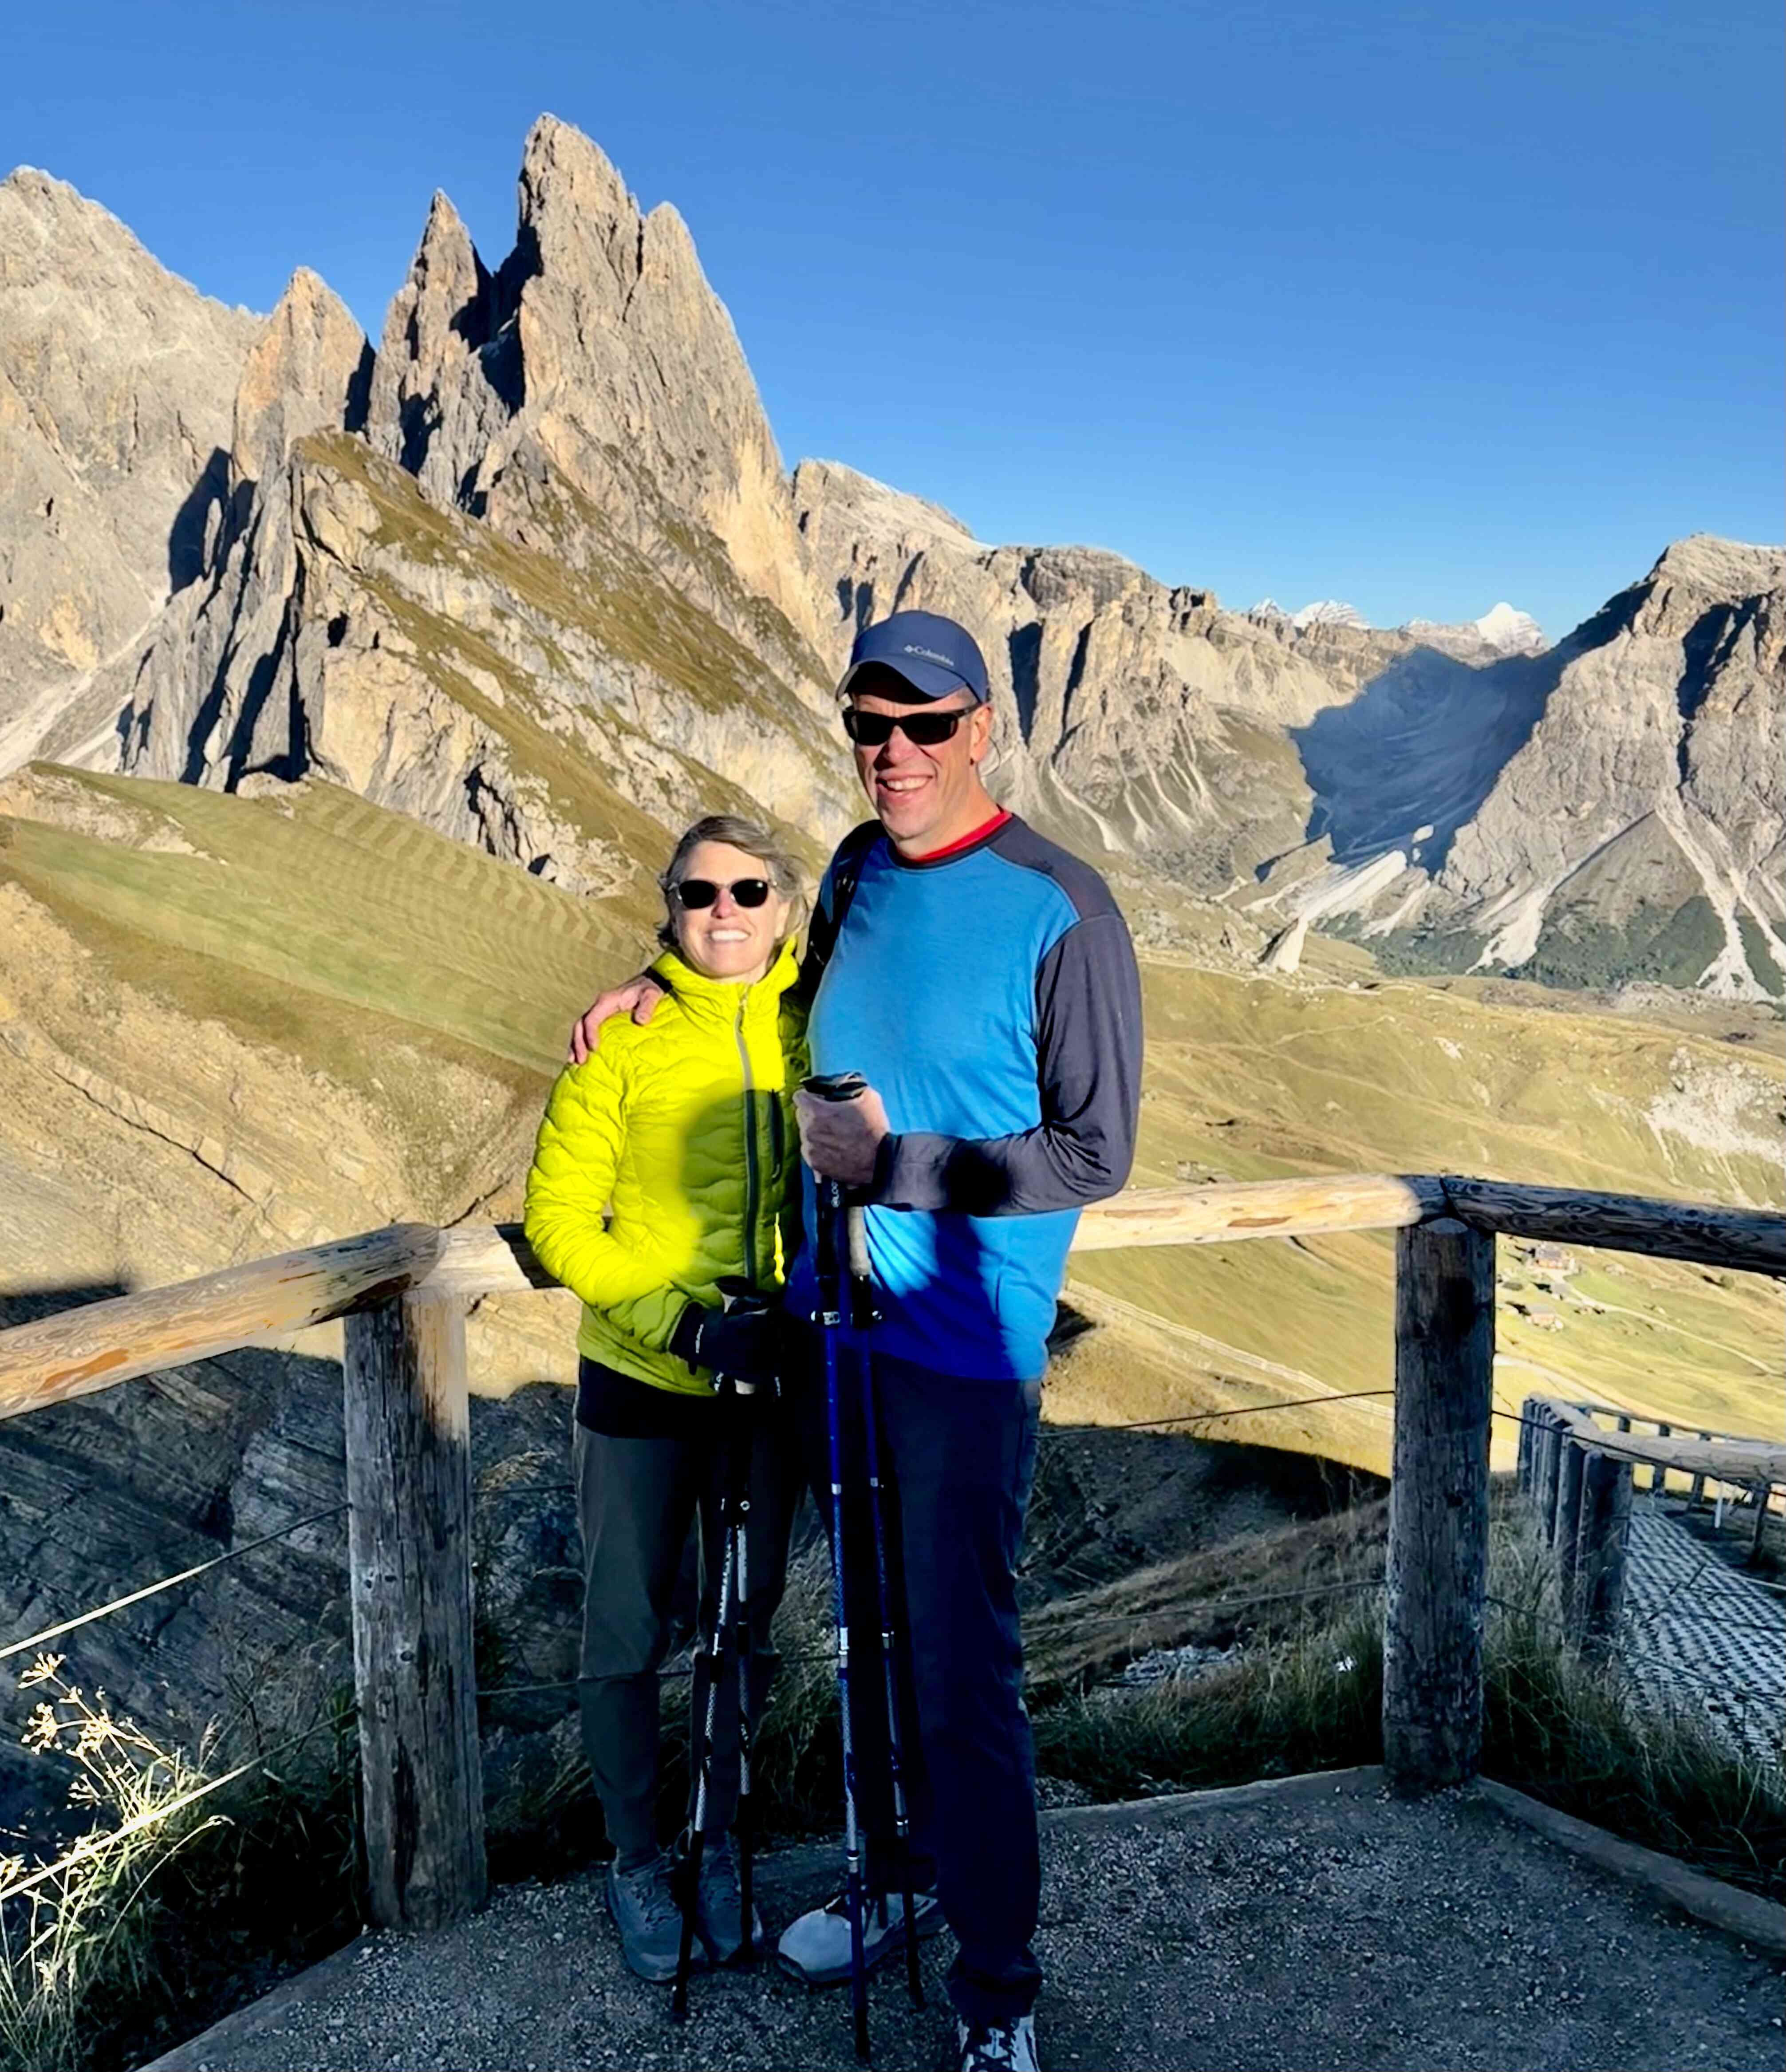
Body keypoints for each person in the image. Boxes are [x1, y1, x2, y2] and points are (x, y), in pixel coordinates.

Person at [569, 611, 1143, 2072]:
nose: (895, 752)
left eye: (925, 726)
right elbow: (760, 980)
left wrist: (897, 1169)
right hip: (838, 1343)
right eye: (869, 726)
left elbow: (1094, 1153)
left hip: (962, 1355)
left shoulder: (1063, 910)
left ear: (981, 729)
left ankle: (996, 1995)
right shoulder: (850, 869)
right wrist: (652, 985)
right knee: (871, 1650)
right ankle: (896, 1876)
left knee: (960, 1676)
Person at [525, 814, 809, 1985]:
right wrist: (685, 1327)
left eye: (747, 891)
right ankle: (638, 1858)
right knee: (627, 1632)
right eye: (698, 895)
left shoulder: (817, 1021)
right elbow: (557, 1223)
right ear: (670, 909)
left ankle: (718, 1838)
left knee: (742, 1626)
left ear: (786, 907)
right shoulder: (621, 1044)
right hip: (644, 1381)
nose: (723, 912)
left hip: (771, 1383)